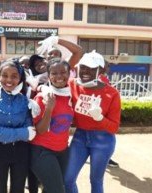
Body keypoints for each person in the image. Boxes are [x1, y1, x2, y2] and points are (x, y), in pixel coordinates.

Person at [64, 51, 121, 193]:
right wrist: (41, 88)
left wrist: (100, 118)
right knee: (67, 178)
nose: (85, 71)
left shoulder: (112, 93)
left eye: (91, 68)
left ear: (100, 70)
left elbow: (114, 127)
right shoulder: (73, 85)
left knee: (95, 180)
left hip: (103, 140)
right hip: (80, 137)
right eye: (83, 67)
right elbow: (56, 76)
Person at [0, 58, 36, 193]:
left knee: (18, 189)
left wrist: (5, 133)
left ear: (20, 78)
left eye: (14, 76)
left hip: (21, 152)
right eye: (4, 75)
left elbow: (30, 130)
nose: (9, 80)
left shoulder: (25, 101)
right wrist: (22, 133)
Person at [31, 58, 74, 193]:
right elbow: (40, 130)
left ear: (69, 74)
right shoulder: (42, 98)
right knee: (57, 190)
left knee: (50, 189)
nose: (59, 77)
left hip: (62, 150)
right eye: (54, 73)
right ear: (49, 76)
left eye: (63, 72)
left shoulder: (71, 95)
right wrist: (49, 108)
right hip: (42, 151)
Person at [99, 63, 120, 168]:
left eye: (108, 66)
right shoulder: (100, 78)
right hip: (102, 115)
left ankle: (106, 158)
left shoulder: (103, 78)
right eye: (106, 66)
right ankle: (106, 159)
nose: (108, 68)